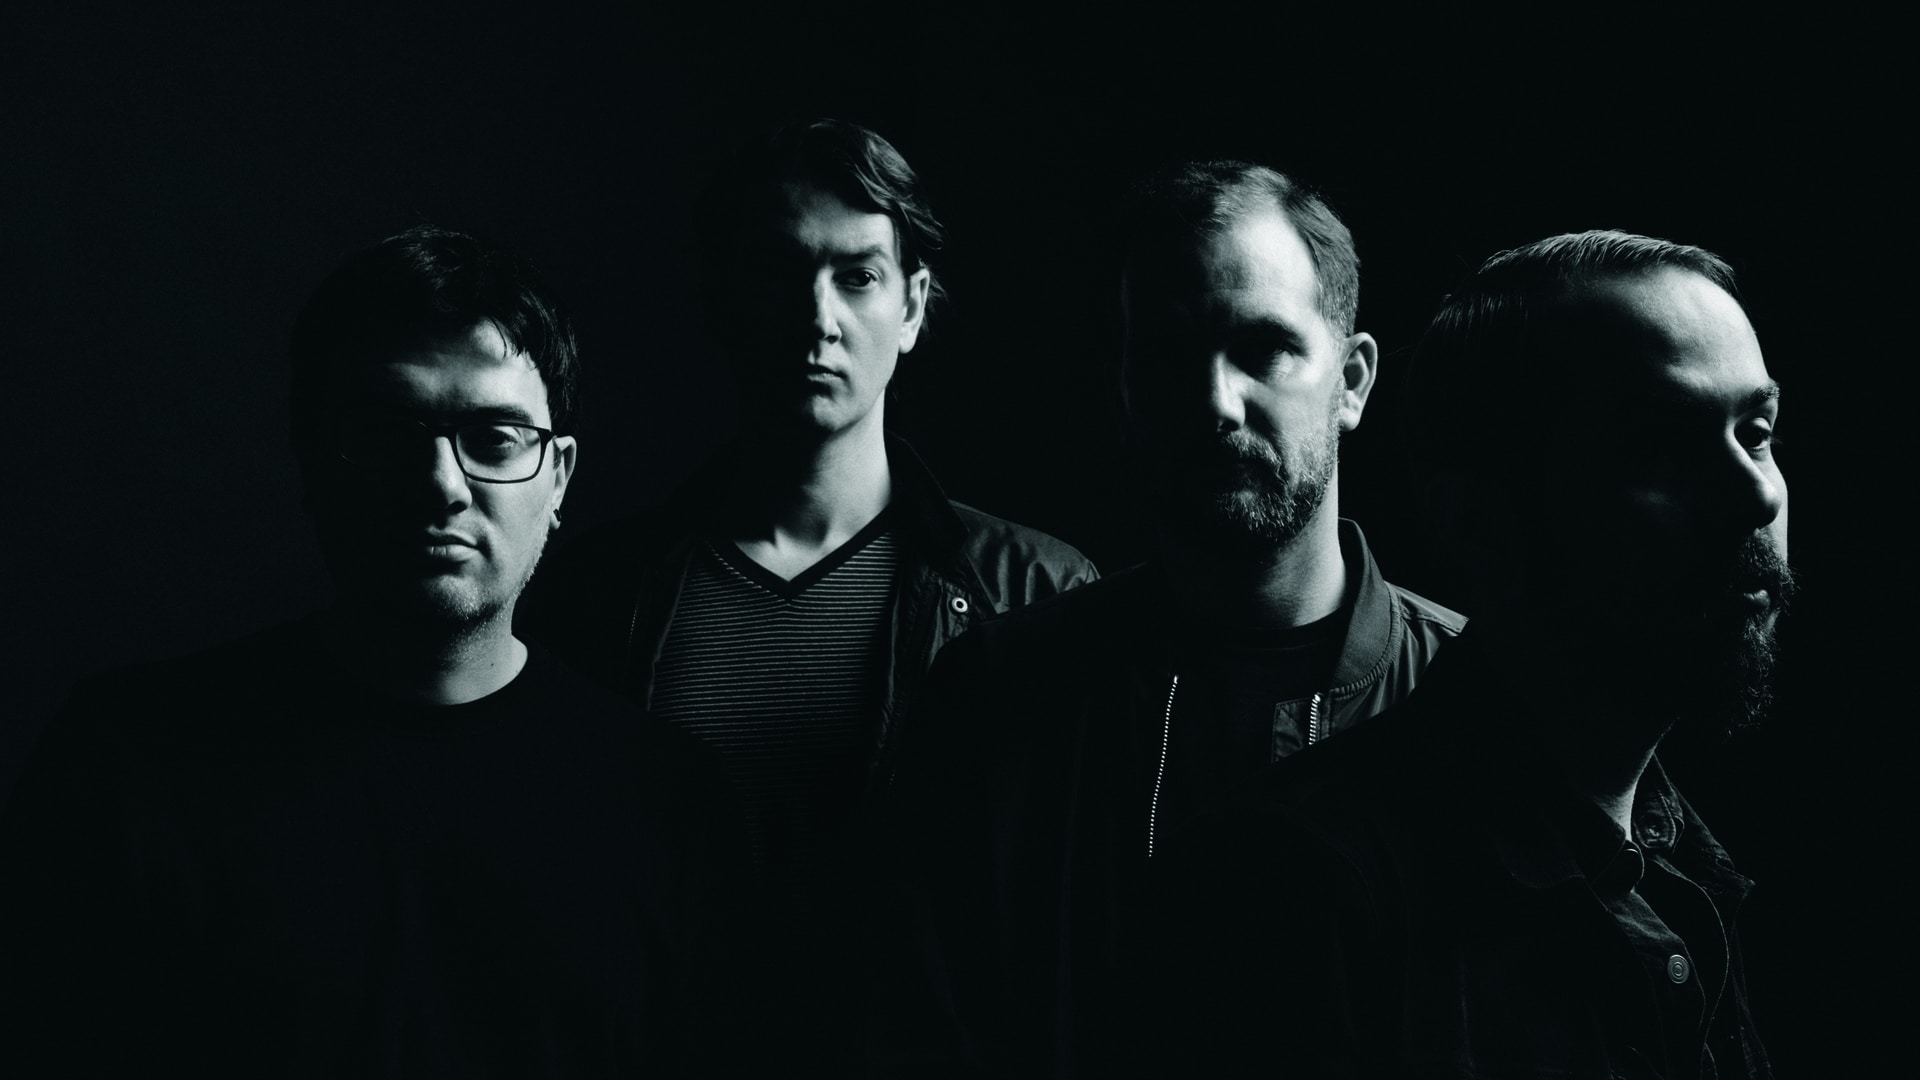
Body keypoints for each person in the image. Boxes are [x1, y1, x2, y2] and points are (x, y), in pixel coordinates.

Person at [0, 226, 747, 1077]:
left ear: (559, 479)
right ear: (314, 464)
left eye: (495, 438)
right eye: (389, 432)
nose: (441, 484)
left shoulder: (670, 806)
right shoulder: (126, 765)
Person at [516, 118, 1096, 1071]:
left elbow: (1065, 934)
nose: (816, 316)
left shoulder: (1038, 592)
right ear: (724, 300)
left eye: (857, 276)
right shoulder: (596, 598)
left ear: (912, 307)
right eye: (778, 272)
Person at [1144, 230, 1791, 1077]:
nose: (1759, 492)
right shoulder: (1288, 897)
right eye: (1663, 447)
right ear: (1479, 522)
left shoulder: (1683, 874)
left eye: (1757, 431)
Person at [874, 160, 1464, 1076]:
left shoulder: (1477, 702)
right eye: (1165, 357)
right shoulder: (995, 699)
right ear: (1122, 388)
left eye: (1263, 349)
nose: (1215, 403)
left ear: (1351, 382)